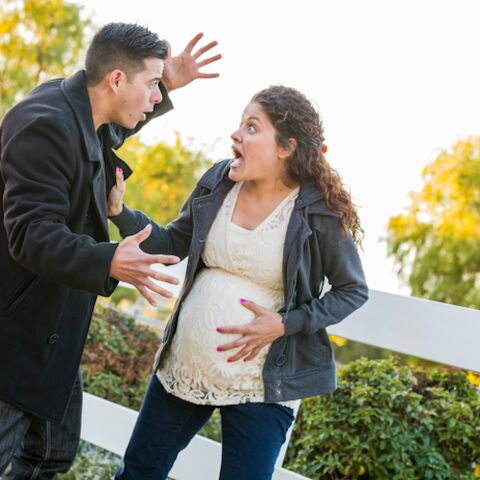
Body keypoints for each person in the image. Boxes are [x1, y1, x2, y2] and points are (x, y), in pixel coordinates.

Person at [108, 84, 369, 480]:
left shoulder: (318, 211)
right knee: (139, 472)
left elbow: (353, 291)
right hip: (185, 367)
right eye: (240, 124)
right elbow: (174, 241)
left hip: (262, 387)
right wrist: (121, 212)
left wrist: (284, 323)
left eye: (252, 127)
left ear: (286, 147)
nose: (236, 135)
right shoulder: (219, 180)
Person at [0, 22, 221, 478]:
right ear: (117, 80)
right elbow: (32, 234)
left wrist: (167, 83)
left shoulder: (85, 112)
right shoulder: (45, 124)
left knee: (51, 457)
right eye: (152, 85)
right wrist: (111, 259)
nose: (157, 96)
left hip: (52, 328)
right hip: (13, 337)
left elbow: (108, 136)